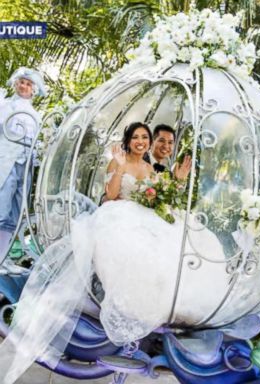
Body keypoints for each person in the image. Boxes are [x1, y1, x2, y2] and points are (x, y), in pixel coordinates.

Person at [0, 122, 226, 384]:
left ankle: (174, 308)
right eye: (136, 137)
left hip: (146, 216)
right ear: (128, 141)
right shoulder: (118, 162)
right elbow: (111, 194)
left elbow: (158, 198)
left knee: (183, 240)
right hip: (121, 213)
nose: (141, 141)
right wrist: (118, 165)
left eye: (145, 137)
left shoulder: (149, 167)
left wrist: (178, 180)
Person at [0, 67, 47, 269]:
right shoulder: (6, 106)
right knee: (1, 206)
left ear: (33, 89)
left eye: (28, 84)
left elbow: (37, 141)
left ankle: (2, 256)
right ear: (16, 83)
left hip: (25, 164)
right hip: (7, 160)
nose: (24, 86)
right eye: (22, 82)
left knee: (16, 212)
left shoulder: (36, 115)